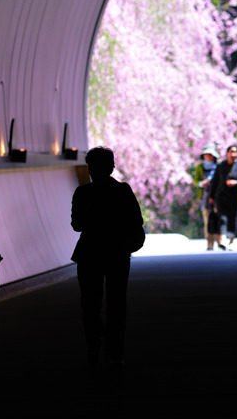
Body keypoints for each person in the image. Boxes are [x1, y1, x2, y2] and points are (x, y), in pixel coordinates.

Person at [70, 147, 144, 367]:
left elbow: (77, 225)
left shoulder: (82, 193)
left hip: (89, 253)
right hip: (117, 252)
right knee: (117, 303)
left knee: (90, 304)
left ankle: (93, 347)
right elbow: (136, 221)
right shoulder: (123, 191)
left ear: (90, 168)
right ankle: (115, 353)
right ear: (112, 166)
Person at [210, 145, 237, 249]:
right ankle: (223, 239)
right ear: (227, 153)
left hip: (234, 197)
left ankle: (231, 240)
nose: (233, 154)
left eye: (235, 152)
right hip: (221, 196)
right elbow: (215, 182)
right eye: (231, 152)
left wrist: (236, 183)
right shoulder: (221, 166)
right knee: (222, 218)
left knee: (233, 218)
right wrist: (211, 197)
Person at [193, 144, 219, 251]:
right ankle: (210, 242)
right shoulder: (200, 167)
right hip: (205, 196)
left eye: (210, 155)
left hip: (217, 196)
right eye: (206, 155)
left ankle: (220, 241)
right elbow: (195, 180)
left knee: (218, 219)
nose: (208, 157)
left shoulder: (218, 166)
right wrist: (200, 183)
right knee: (207, 220)